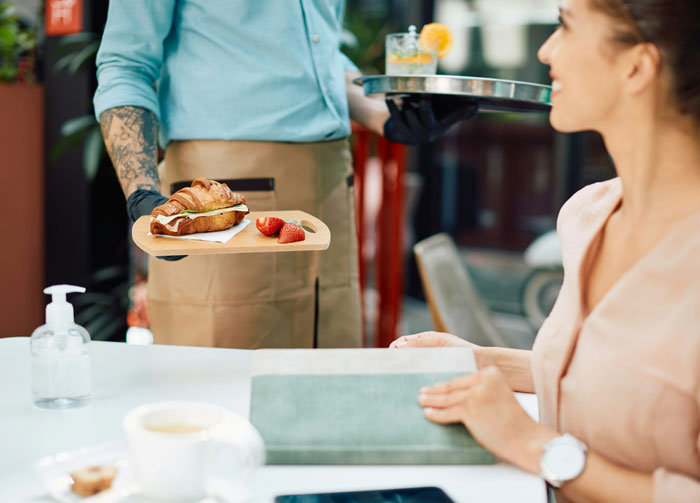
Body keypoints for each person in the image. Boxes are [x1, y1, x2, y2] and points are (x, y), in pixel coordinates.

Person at [391, 0, 700, 501]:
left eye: (565, 26)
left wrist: (533, 444)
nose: (545, 49)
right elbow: (613, 380)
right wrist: (481, 364)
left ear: (636, 66)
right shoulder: (589, 215)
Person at [94, 1, 472, 349]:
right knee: (224, 388)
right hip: (227, 192)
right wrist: (142, 191)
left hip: (329, 186)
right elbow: (126, 63)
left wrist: (387, 119)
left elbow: (321, 57)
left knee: (328, 373)